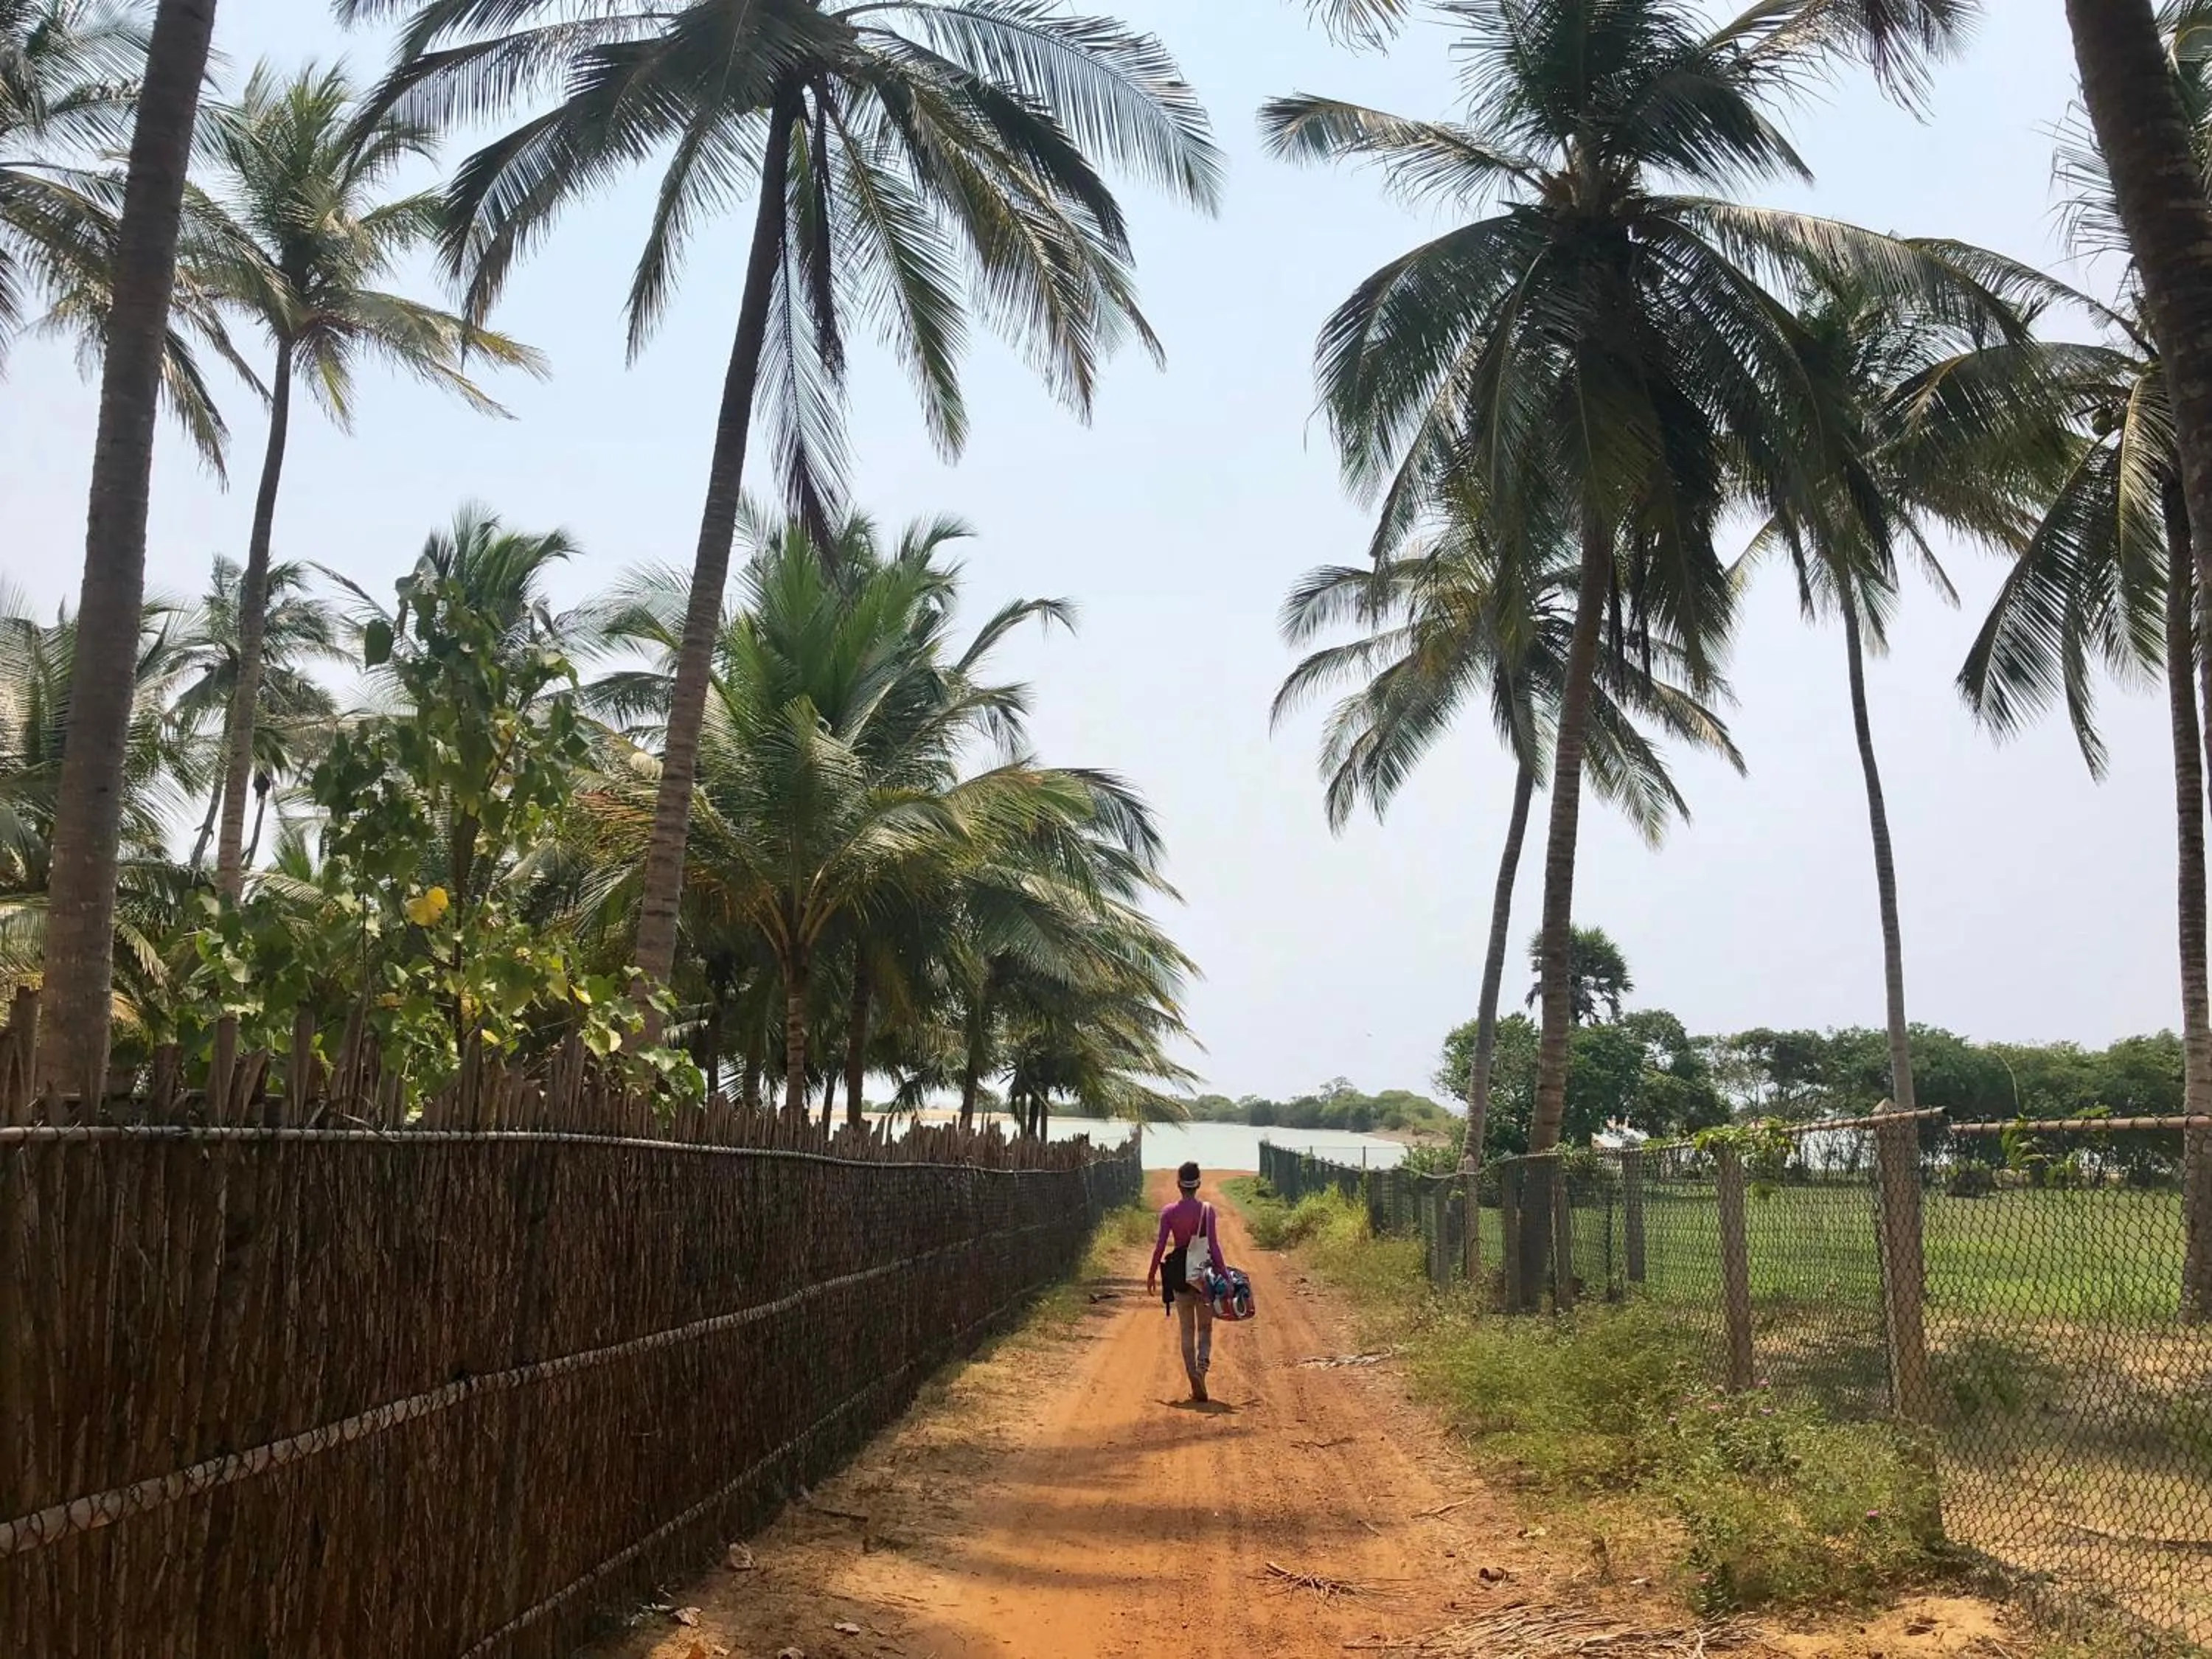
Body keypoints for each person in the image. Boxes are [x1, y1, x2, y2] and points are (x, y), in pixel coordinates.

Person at [1145, 1161, 1226, 1402]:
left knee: (1186, 1330)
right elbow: (1214, 1246)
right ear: (1198, 1184)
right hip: (1203, 1277)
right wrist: (1223, 1274)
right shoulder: (1207, 1212)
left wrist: (1152, 1273)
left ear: (1179, 1185)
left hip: (1180, 1276)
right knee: (1205, 1329)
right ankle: (1202, 1369)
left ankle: (1192, 1374)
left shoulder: (1169, 1212)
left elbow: (1161, 1245)